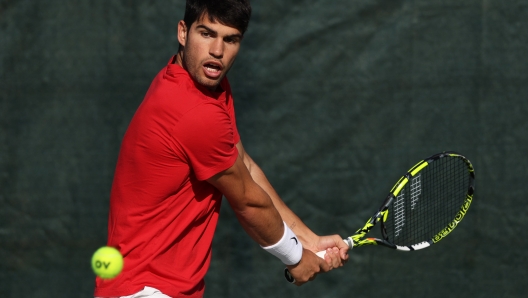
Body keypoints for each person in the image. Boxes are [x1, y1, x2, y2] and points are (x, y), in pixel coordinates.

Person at [94, 1, 349, 297]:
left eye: (231, 39)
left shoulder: (208, 86)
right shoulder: (193, 112)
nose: (217, 50)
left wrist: (309, 241)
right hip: (147, 289)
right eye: (206, 34)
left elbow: (245, 167)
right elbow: (248, 201)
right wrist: (296, 258)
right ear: (183, 32)